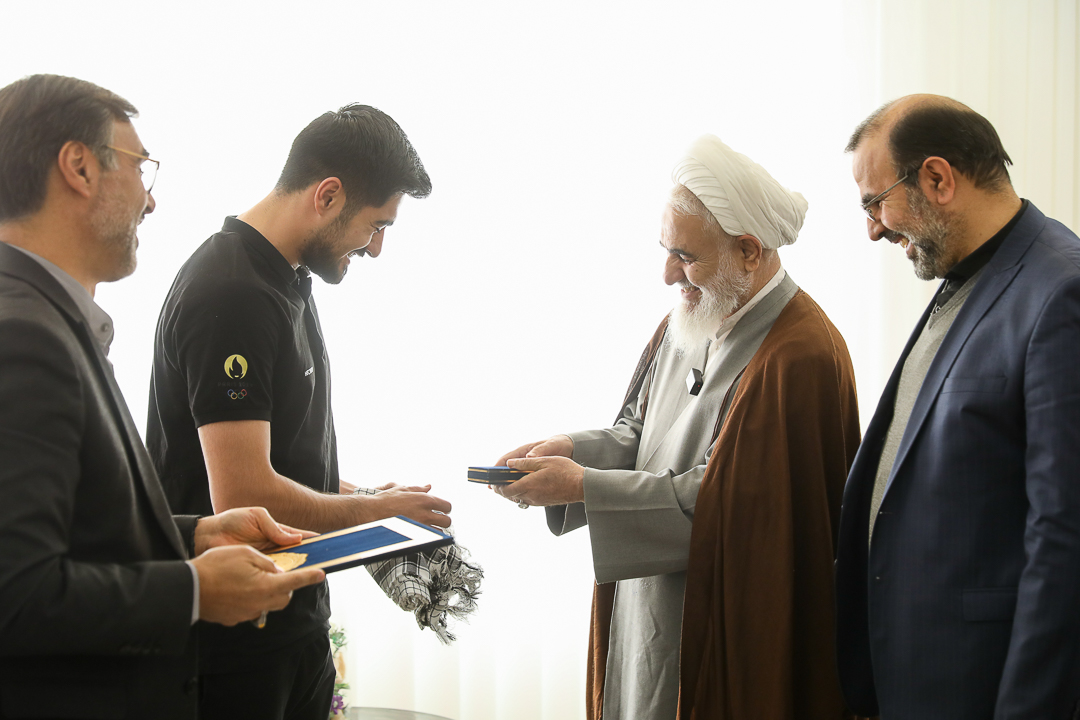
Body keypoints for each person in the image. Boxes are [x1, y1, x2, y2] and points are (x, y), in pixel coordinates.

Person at [495, 135, 860, 720]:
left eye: (685, 256)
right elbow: (640, 433)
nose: (668, 274)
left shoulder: (800, 354)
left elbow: (735, 508)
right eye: (666, 251)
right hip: (645, 605)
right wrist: (570, 451)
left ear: (748, 251)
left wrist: (582, 487)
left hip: (725, 627)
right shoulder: (690, 315)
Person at [0, 74, 326, 720]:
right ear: (79, 167)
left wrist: (195, 534)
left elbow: (79, 530)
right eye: (140, 167)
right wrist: (192, 592)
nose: (150, 202)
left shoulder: (50, 320)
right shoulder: (22, 336)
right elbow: (17, 591)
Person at [146, 105, 453, 720]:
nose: (377, 248)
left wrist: (369, 495)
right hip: (233, 647)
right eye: (376, 225)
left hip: (293, 626)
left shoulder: (287, 278)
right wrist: (376, 513)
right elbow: (244, 495)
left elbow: (285, 462)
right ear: (328, 196)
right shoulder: (233, 293)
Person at [835, 94, 1080, 719]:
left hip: (983, 689)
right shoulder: (968, 276)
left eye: (874, 202)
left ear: (938, 179)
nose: (873, 228)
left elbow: (1065, 539)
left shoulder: (1060, 292)